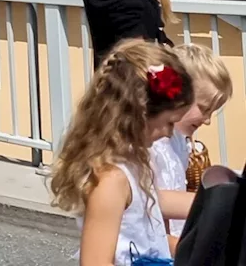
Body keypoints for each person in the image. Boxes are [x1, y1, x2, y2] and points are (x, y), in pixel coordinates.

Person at [49, 41, 195, 266]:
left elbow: (149, 216)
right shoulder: (110, 180)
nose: (168, 133)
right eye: (168, 123)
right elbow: (95, 262)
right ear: (138, 114)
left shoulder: (135, 161)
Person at [151, 43, 232, 241]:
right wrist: (217, 203)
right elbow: (153, 202)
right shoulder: (152, 144)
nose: (207, 120)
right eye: (204, 108)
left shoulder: (179, 142)